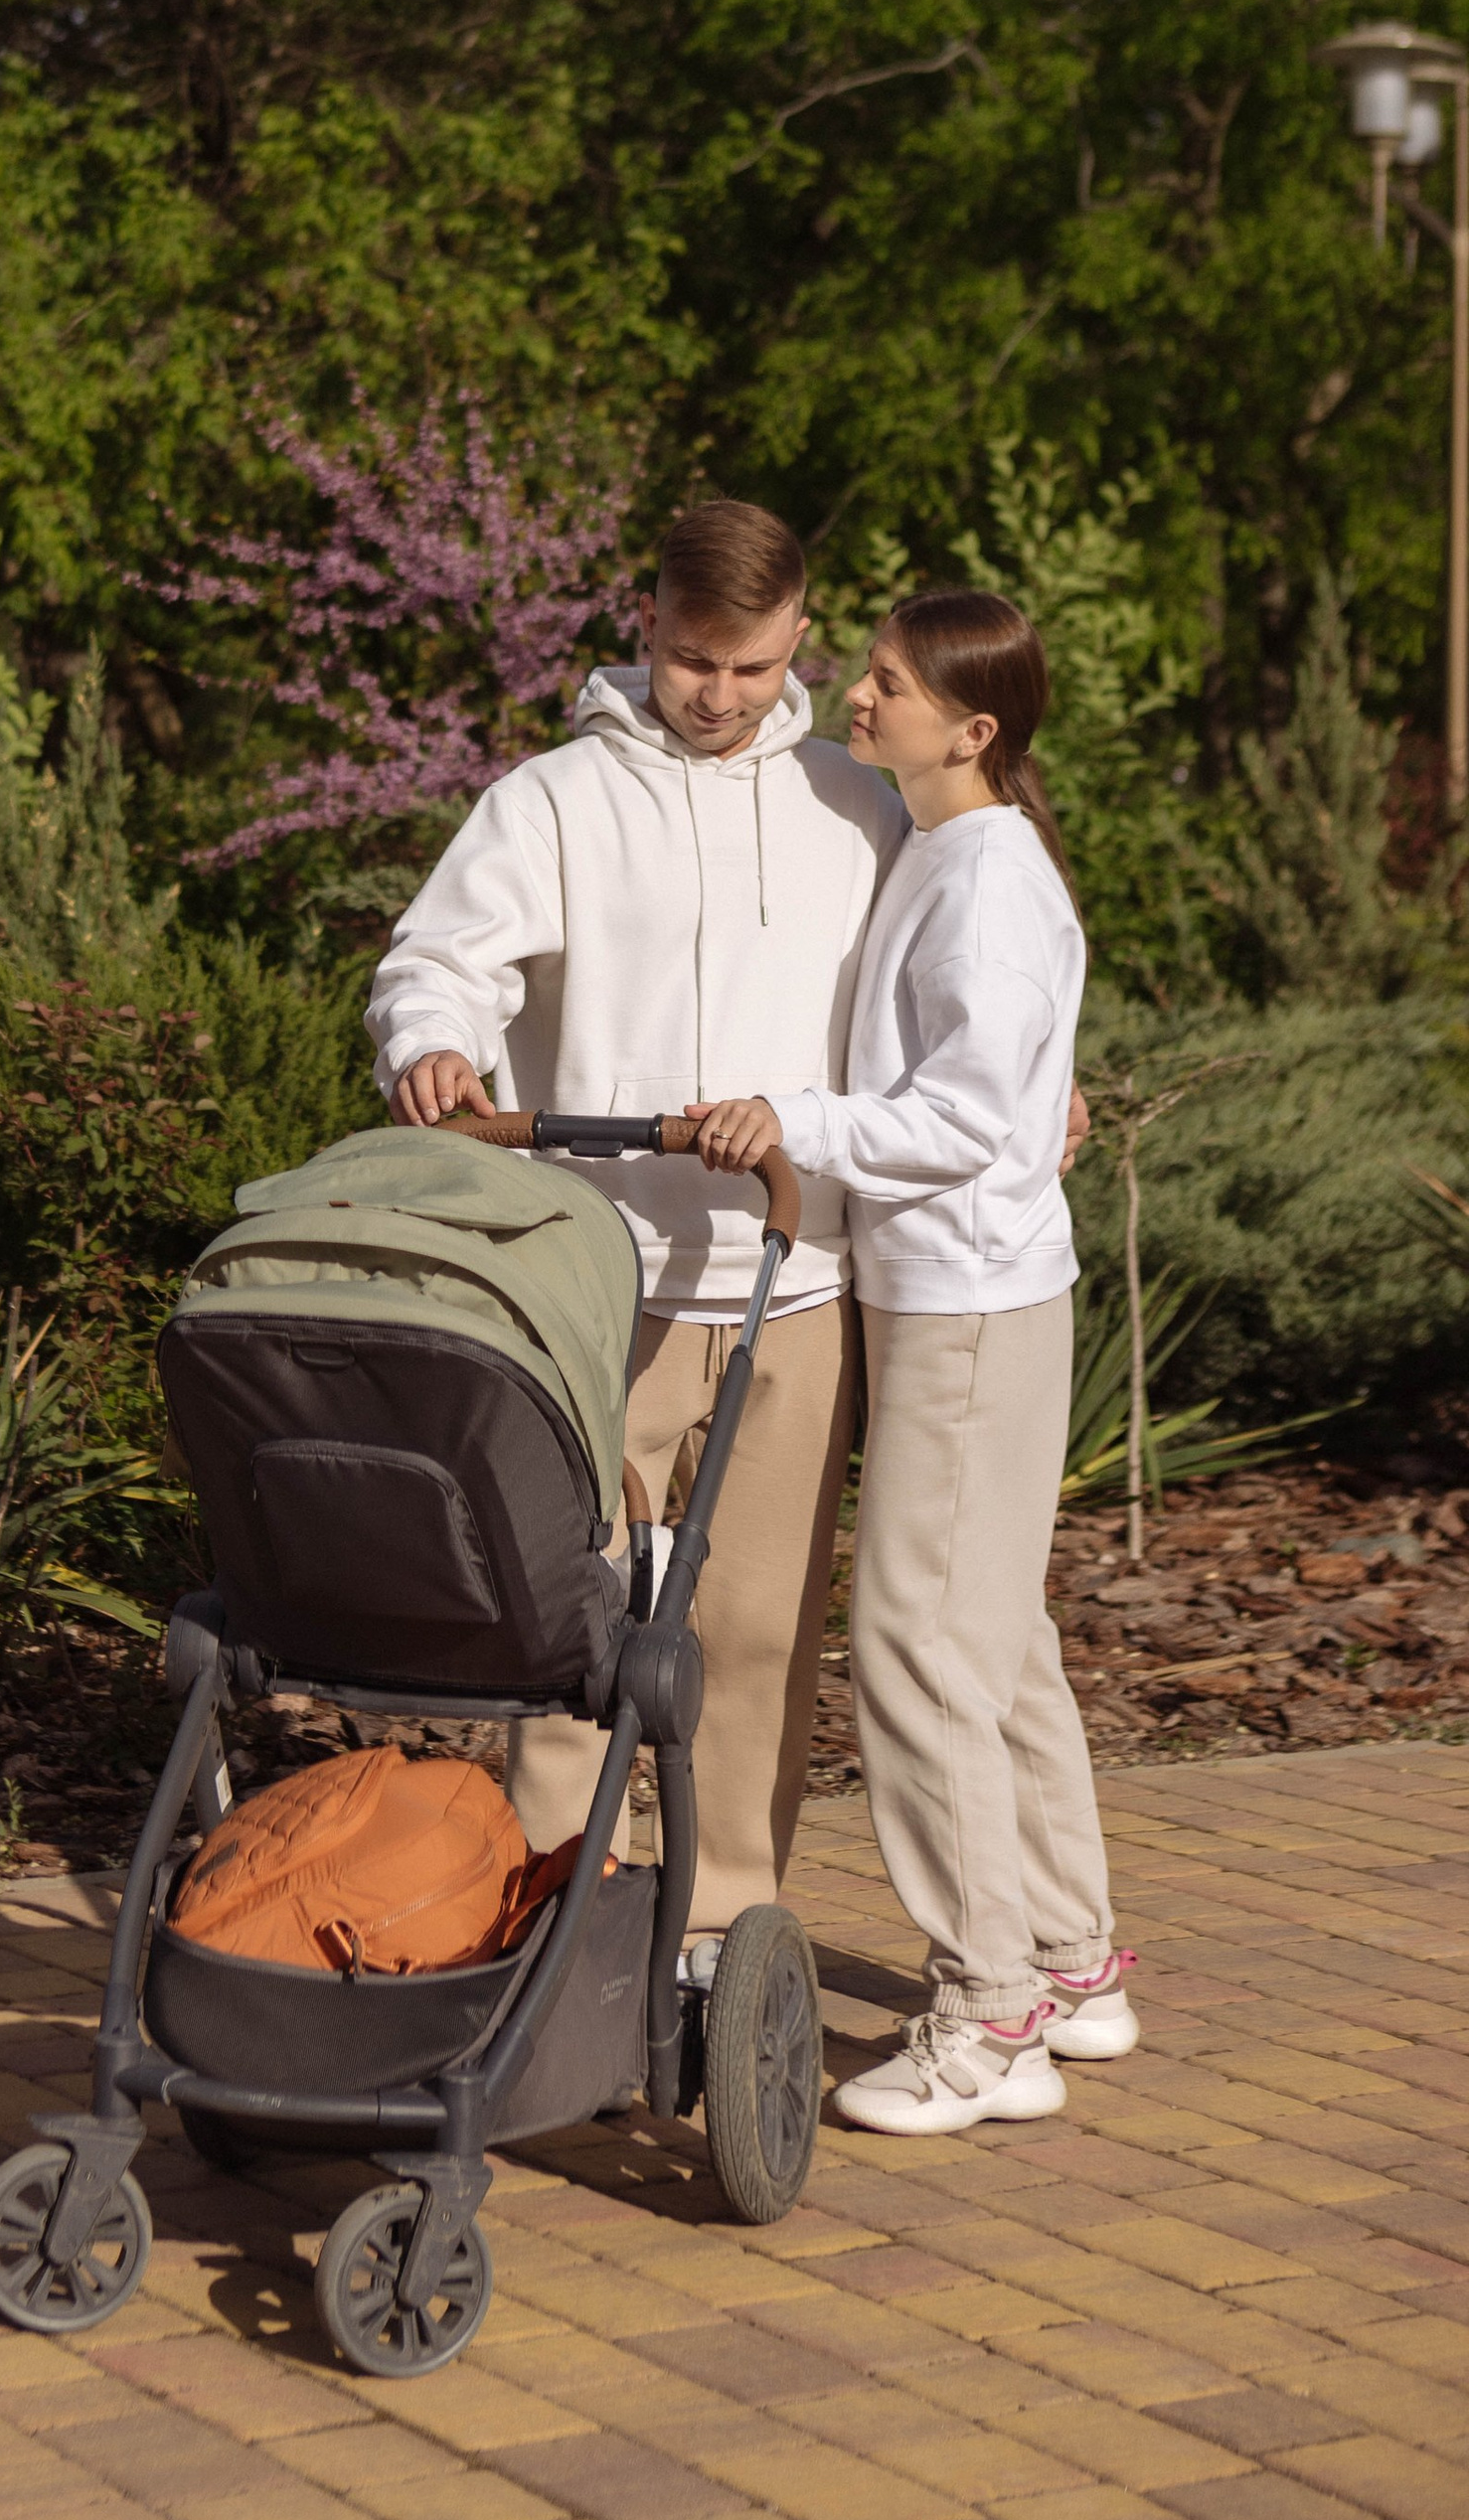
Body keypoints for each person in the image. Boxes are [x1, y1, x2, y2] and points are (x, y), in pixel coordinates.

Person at [369, 498, 909, 1945]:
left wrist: (1037, 1092)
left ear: (799, 636)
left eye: (746, 667)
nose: (717, 696)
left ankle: (725, 1935)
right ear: (647, 627)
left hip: (787, 1288)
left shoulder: (857, 806)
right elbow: (436, 960)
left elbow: (954, 991)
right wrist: (431, 1041)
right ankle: (559, 1921)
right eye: (688, 663)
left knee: (753, 1633)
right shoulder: (550, 800)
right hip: (597, 1289)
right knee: (570, 1626)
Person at [690, 588, 1135, 2134]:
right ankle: (1071, 1965)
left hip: (965, 1312)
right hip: (973, 1296)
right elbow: (1002, 1087)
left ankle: (988, 2013)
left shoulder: (987, 884)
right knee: (994, 1639)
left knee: (913, 1654)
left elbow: (956, 1118)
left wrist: (786, 1121)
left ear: (974, 727)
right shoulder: (952, 852)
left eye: (881, 682)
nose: (851, 697)